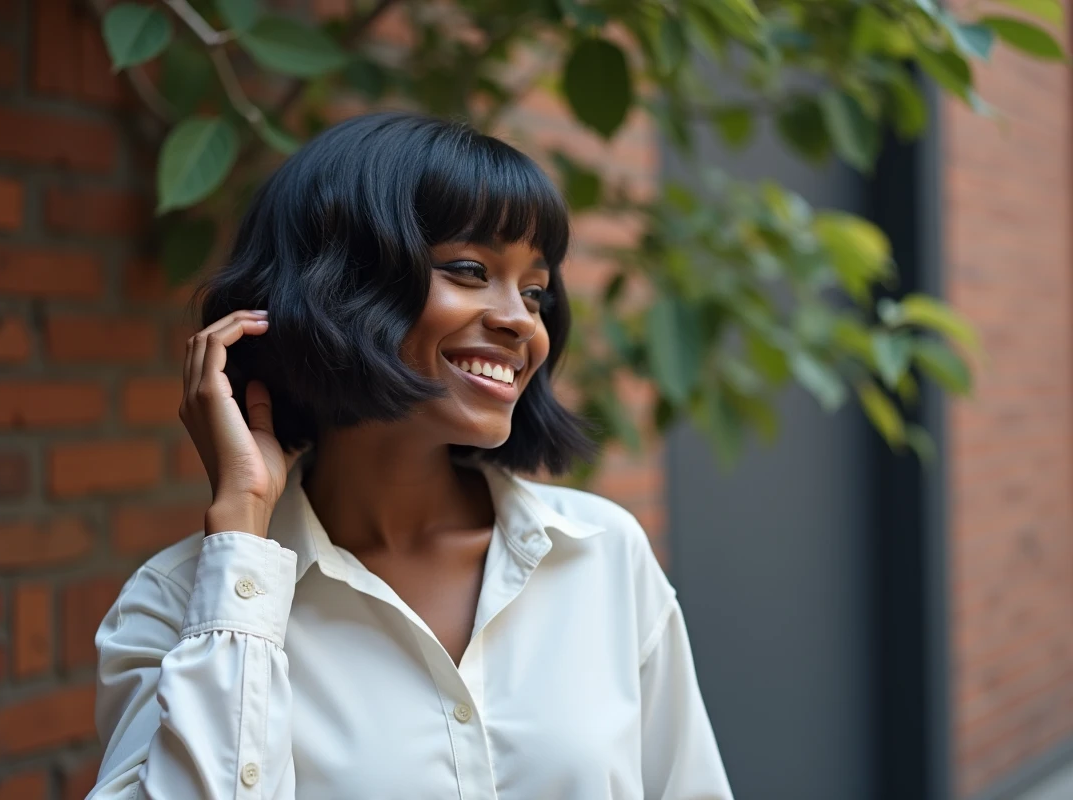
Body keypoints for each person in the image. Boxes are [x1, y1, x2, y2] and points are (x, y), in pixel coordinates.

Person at [89, 111, 732, 800]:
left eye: (535, 291)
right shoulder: (180, 605)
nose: (521, 320)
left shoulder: (601, 557)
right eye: (470, 269)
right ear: (338, 286)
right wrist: (242, 544)